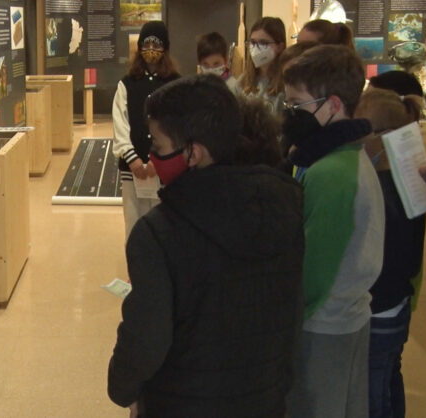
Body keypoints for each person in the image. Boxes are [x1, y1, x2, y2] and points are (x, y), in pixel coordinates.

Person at [108, 75, 304, 417]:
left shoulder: (157, 234)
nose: (152, 155)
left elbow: (146, 340)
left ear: (193, 153)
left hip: (182, 401)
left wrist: (122, 386)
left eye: (158, 143)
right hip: (265, 398)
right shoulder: (285, 204)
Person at [282, 45, 385, 418]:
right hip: (347, 317)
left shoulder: (331, 173)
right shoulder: (348, 156)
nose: (290, 113)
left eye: (298, 104)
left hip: (322, 327)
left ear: (333, 104)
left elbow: (314, 274)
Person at [355, 88, 426, 418]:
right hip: (397, 303)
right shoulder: (409, 181)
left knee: (373, 395)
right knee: (388, 381)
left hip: (378, 308)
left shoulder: (379, 189)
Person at [112, 20, 180, 239]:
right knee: (134, 225)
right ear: (140, 47)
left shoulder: (175, 84)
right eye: (147, 43)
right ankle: (137, 272)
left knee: (163, 224)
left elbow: (177, 124)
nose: (151, 49)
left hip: (163, 168)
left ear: (165, 48)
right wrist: (132, 159)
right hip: (132, 171)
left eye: (157, 44)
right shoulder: (126, 84)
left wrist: (158, 161)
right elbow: (119, 123)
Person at [240, 16, 287, 112]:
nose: (256, 49)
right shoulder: (242, 82)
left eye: (263, 43)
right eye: (252, 42)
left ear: (280, 47)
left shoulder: (287, 83)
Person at [196, 31, 242, 96]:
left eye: (216, 64)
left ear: (226, 60)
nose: (211, 70)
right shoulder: (197, 88)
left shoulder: (233, 87)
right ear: (199, 63)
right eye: (206, 65)